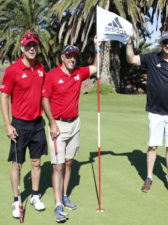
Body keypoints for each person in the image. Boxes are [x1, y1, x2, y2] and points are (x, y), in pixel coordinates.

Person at [42, 36, 101, 222]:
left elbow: (96, 67)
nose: (72, 59)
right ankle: (58, 204)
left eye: (75, 56)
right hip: (57, 125)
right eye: (69, 56)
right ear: (62, 57)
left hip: (75, 123)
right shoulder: (51, 76)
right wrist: (51, 122)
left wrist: (97, 47)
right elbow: (45, 101)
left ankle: (65, 195)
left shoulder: (78, 73)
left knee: (68, 163)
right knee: (57, 165)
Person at [126, 30, 168, 194]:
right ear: (161, 43)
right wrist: (129, 40)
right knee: (152, 146)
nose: (167, 45)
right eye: (165, 42)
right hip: (155, 112)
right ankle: (149, 177)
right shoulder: (152, 58)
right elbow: (131, 58)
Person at [0, 32, 47, 219]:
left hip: (37, 124)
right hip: (19, 124)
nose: (32, 48)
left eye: (34, 45)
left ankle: (35, 196)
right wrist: (7, 124)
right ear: (22, 48)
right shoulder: (13, 70)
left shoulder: (41, 68)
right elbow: (4, 96)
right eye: (28, 46)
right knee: (17, 164)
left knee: (36, 162)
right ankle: (16, 200)